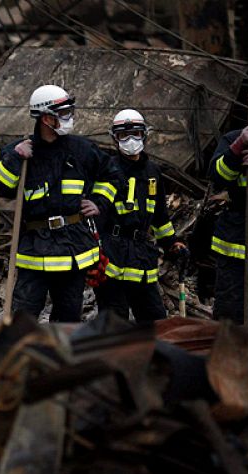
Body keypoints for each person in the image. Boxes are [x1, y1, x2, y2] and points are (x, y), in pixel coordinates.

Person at [0, 84, 119, 322]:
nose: (71, 118)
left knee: (68, 319)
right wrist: (14, 159)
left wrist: (99, 201)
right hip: (35, 250)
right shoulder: (19, 151)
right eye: (65, 113)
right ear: (46, 118)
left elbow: (112, 175)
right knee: (23, 319)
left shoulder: (82, 149)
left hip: (73, 248)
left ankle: (62, 359)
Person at [95, 109, 186, 321]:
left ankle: (153, 355)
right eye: (122, 135)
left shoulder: (153, 172)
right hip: (112, 253)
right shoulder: (107, 170)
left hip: (142, 254)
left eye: (135, 133)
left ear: (145, 135)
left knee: (155, 320)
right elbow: (97, 214)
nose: (130, 140)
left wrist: (171, 243)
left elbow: (160, 217)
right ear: (114, 138)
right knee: (114, 323)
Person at [209, 80, 248, 322]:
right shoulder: (233, 139)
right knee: (230, 314)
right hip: (235, 241)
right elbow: (217, 178)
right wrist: (237, 149)